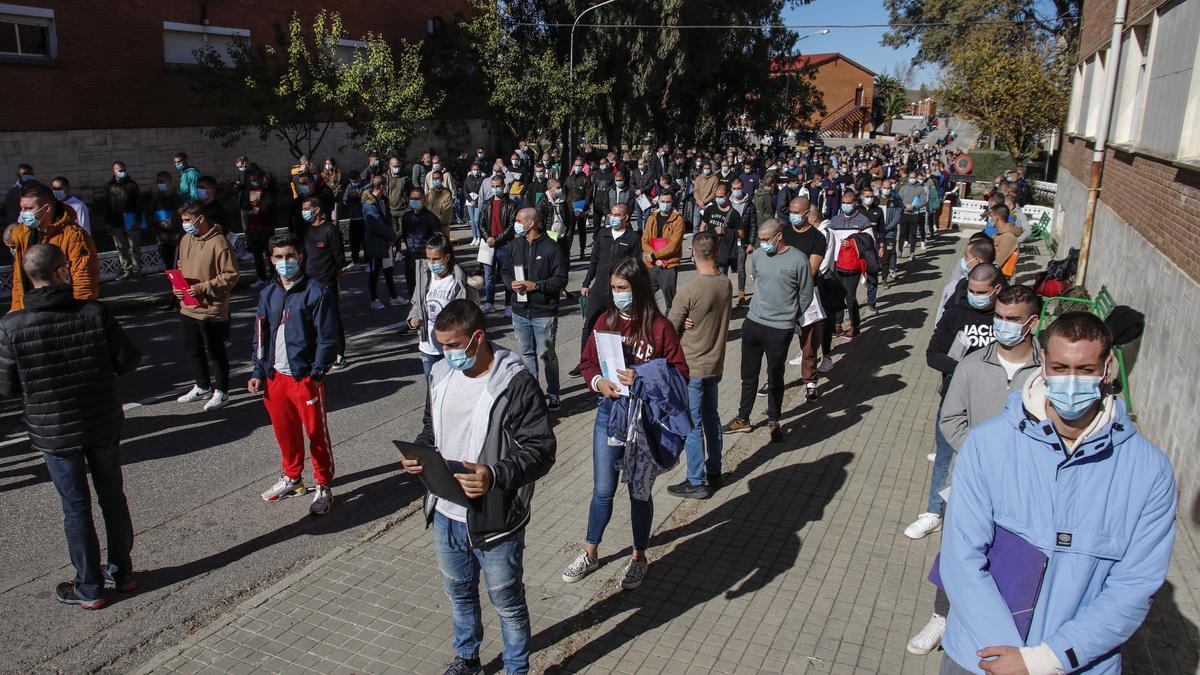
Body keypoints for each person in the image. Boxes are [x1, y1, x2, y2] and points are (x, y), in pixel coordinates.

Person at [938, 312, 1176, 675]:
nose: (1070, 381)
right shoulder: (988, 444)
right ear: (1044, 363)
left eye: (1085, 369)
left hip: (1079, 665)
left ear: (1107, 367)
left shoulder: (1150, 471)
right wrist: (1011, 657)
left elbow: (1134, 587)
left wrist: (1045, 660)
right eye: (1061, 367)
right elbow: (961, 559)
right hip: (981, 657)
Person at [402, 299, 556, 675]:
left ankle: (516, 668)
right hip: (445, 512)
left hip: (495, 517)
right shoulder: (439, 374)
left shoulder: (515, 382)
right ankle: (468, 659)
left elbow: (542, 449)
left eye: (454, 346)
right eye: (441, 346)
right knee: (459, 594)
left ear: (478, 338)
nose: (446, 354)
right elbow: (431, 427)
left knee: (506, 601)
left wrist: (495, 474)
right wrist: (419, 453)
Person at [906, 284, 1044, 656]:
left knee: (1016, 560)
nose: (1003, 325)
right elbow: (950, 420)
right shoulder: (971, 364)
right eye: (999, 317)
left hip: (1026, 488)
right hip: (973, 481)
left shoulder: (1046, 371)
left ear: (1032, 322)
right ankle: (942, 617)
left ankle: (1004, 628)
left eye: (1012, 319)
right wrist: (985, 454)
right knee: (956, 553)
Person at [0, 244, 140, 609]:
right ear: (62, 271)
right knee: (112, 497)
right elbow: (128, 360)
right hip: (101, 420)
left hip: (54, 427)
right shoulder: (94, 312)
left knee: (75, 506)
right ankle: (122, 572)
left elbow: (8, 386)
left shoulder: (11, 325)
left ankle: (90, 586)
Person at [564, 258, 688, 591]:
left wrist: (644, 376)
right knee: (603, 489)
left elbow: (680, 374)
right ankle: (590, 551)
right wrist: (597, 384)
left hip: (644, 421)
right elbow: (588, 362)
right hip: (610, 413)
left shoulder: (659, 327)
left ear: (639, 289)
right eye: (614, 288)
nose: (616, 294)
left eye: (623, 288)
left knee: (639, 492)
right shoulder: (605, 321)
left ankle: (639, 556)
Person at [249, 233, 338, 516]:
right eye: (279, 257)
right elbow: (261, 335)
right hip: (275, 378)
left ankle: (323, 484)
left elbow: (328, 337)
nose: (284, 262)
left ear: (300, 256)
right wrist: (258, 371)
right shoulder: (268, 293)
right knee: (284, 432)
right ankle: (293, 477)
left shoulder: (316, 292)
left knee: (316, 434)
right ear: (271, 260)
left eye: (289, 256)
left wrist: (316, 372)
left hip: (303, 378)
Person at [723, 218, 813, 443]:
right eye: (760, 239)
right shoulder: (760, 255)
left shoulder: (798, 260)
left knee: (775, 376)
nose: (762, 244)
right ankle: (743, 418)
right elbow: (759, 281)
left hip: (779, 328)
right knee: (748, 376)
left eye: (765, 239)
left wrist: (790, 317)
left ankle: (774, 419)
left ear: (779, 236)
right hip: (754, 323)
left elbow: (806, 294)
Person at [666, 232, 732, 500]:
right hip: (715, 364)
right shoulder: (725, 283)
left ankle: (695, 479)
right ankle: (714, 470)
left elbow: (669, 331)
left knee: (692, 425)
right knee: (712, 419)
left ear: (692, 252)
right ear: (715, 252)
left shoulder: (690, 290)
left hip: (692, 365)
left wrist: (684, 324)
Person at [174, 202, 239, 411]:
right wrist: (178, 288)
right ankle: (202, 386)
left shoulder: (219, 242)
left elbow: (230, 276)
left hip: (211, 307)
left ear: (200, 219)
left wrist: (203, 288)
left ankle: (222, 391)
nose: (184, 225)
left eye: (187, 221)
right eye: (182, 221)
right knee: (192, 348)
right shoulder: (185, 240)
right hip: (188, 305)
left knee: (215, 351)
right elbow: (181, 266)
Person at [501, 207, 568, 410]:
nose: (516, 224)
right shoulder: (514, 245)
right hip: (520, 312)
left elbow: (560, 279)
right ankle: (534, 395)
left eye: (519, 220)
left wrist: (536, 286)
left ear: (531, 223)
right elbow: (504, 270)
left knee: (547, 355)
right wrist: (510, 283)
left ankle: (553, 393)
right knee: (526, 355)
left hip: (543, 313)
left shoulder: (551, 248)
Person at [571, 202, 641, 378]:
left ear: (625, 218)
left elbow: (635, 267)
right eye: (612, 214)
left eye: (617, 215)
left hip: (618, 293)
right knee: (589, 325)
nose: (613, 218)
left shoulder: (632, 239)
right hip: (598, 290)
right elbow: (594, 260)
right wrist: (587, 283)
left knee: (615, 328)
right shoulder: (602, 235)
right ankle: (584, 362)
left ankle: (615, 362)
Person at [7, 182, 99, 312]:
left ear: (46, 209)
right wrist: (16, 310)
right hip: (30, 312)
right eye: (21, 208)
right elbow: (19, 279)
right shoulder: (24, 233)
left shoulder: (74, 236)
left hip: (61, 312)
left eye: (28, 208)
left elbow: (84, 281)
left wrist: (76, 316)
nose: (23, 213)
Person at [408, 234, 477, 380]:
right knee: (433, 389)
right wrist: (413, 318)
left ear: (447, 257)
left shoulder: (458, 281)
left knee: (454, 388)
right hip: (428, 347)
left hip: (451, 348)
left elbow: (471, 314)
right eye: (429, 259)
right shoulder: (424, 276)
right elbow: (417, 303)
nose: (431, 263)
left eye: (436, 259)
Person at [782, 198, 828, 401]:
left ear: (807, 212)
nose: (792, 214)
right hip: (782, 293)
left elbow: (811, 269)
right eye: (790, 210)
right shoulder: (784, 231)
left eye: (796, 211)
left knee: (809, 341)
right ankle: (774, 379)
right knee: (777, 340)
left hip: (807, 294)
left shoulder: (817, 238)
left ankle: (810, 381)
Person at [301, 197, 347, 368]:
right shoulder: (307, 231)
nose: (304, 212)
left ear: (316, 209)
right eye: (303, 209)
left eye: (307, 208)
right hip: (309, 281)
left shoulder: (330, 230)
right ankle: (318, 352)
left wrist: (339, 269)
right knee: (313, 320)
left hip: (327, 282)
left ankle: (340, 353)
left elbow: (338, 255)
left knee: (332, 318)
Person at [827, 191, 874, 338]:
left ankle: (855, 326)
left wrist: (853, 243)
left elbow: (869, 242)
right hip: (836, 263)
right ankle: (837, 324)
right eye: (843, 203)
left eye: (849, 203)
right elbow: (829, 242)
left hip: (853, 265)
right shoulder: (834, 221)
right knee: (836, 295)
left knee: (850, 296)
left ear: (855, 203)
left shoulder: (863, 221)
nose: (845, 205)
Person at [360, 175, 401, 308]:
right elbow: (376, 225)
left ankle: (393, 297)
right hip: (375, 243)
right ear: (382, 186)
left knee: (388, 270)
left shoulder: (383, 200)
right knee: (374, 272)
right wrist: (392, 236)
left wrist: (390, 236)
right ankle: (374, 300)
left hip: (385, 243)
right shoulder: (369, 204)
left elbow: (388, 219)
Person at [640, 190, 685, 312]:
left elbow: (674, 245)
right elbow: (644, 240)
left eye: (668, 202)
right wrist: (654, 258)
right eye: (663, 201)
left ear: (672, 202)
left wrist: (655, 256)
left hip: (668, 265)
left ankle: (671, 324)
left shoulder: (678, 220)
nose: (665, 204)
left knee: (670, 301)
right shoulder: (652, 218)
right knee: (644, 295)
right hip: (651, 264)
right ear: (658, 201)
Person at [479, 176, 519, 314]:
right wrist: (487, 237)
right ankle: (490, 303)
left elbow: (511, 226)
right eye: (493, 186)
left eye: (498, 186)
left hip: (504, 245)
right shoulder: (486, 203)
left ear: (504, 186)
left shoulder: (511, 205)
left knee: (506, 276)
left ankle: (508, 305)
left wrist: (496, 238)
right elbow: (481, 223)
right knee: (489, 277)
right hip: (488, 245)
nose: (496, 189)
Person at [699, 182, 742, 279]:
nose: (718, 199)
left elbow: (741, 233)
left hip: (723, 253)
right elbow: (702, 227)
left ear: (727, 195)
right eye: (716, 196)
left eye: (721, 196)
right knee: (707, 278)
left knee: (721, 278)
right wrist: (702, 243)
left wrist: (725, 231)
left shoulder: (734, 214)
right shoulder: (709, 209)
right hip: (709, 250)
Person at [729, 177, 758, 305]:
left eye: (739, 188)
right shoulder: (727, 203)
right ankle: (725, 293)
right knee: (723, 268)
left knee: (741, 268)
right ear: (731, 189)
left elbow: (753, 224)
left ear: (742, 188)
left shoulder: (749, 204)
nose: (736, 191)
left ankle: (741, 292)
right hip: (728, 241)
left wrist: (751, 243)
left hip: (742, 241)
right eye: (734, 189)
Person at [148, 172, 183, 271]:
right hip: (162, 239)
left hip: (175, 239)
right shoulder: (156, 199)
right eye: (158, 182)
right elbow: (150, 215)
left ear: (170, 182)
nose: (160, 184)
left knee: (175, 265)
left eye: (162, 181)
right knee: (168, 266)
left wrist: (168, 224)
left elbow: (180, 215)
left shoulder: (176, 198)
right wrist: (157, 222)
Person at [563, 157, 593, 261]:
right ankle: (567, 252)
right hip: (569, 207)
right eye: (576, 165)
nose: (577, 167)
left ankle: (582, 251)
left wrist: (585, 206)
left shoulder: (586, 179)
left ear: (582, 167)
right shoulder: (569, 179)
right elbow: (564, 192)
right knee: (569, 231)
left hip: (581, 207)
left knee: (582, 231)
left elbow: (589, 195)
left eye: (579, 165)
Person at [897, 171, 928, 258]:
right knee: (902, 233)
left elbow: (924, 201)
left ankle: (912, 252)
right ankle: (900, 251)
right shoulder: (903, 187)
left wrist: (914, 207)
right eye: (910, 177)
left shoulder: (920, 188)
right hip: (904, 213)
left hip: (914, 214)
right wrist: (904, 206)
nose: (912, 179)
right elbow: (899, 199)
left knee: (913, 234)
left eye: (913, 177)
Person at [341, 170, 367, 268]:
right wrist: (349, 198)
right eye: (352, 182)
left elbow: (367, 197)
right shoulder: (349, 186)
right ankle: (355, 261)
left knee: (365, 242)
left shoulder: (365, 185)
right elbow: (344, 199)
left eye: (355, 181)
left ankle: (368, 261)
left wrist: (359, 195)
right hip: (353, 218)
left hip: (363, 218)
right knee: (353, 242)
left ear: (359, 178)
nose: (354, 184)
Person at [426, 169, 455, 238]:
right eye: (433, 178)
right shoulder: (429, 193)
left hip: (442, 227)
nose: (435, 180)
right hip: (430, 227)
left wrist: (435, 222)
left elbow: (446, 213)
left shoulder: (446, 194)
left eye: (437, 178)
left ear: (442, 179)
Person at [463, 161, 486, 245]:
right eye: (474, 169)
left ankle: (479, 237)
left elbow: (482, 190)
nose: (476, 171)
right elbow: (465, 190)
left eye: (477, 169)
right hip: (470, 202)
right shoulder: (468, 178)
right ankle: (474, 237)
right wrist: (469, 199)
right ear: (471, 170)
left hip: (478, 201)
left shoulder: (482, 179)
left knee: (477, 220)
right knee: (472, 221)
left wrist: (476, 200)